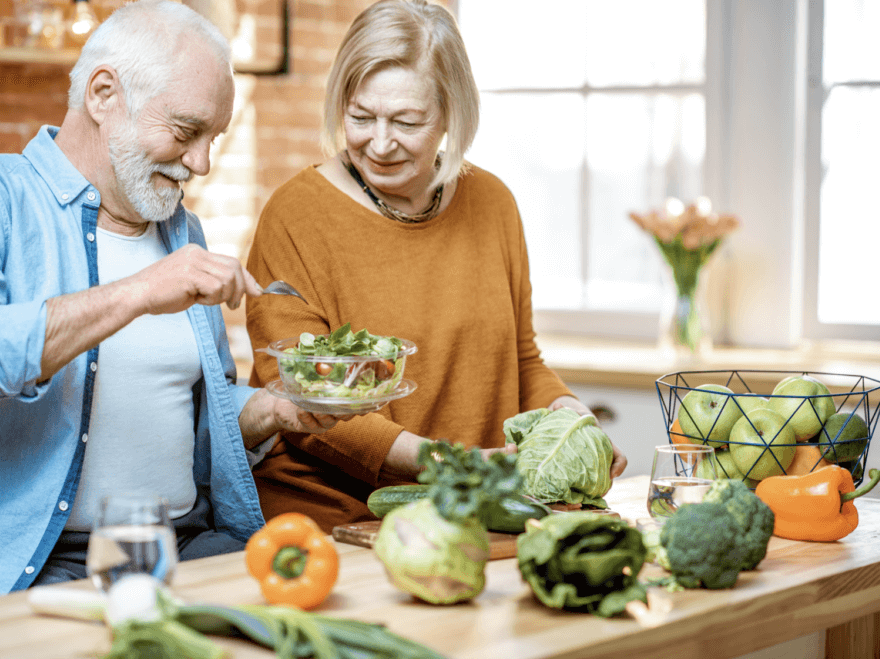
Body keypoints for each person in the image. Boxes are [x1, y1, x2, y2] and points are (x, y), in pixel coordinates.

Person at [0, 0, 345, 613]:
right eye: (186, 132)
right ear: (103, 95)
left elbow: (179, 425)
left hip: (187, 547)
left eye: (213, 140)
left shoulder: (181, 233)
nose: (202, 163)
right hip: (35, 566)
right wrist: (137, 293)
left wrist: (273, 410)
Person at [244, 0, 627, 534]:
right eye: (360, 117)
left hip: (473, 510)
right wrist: (453, 463)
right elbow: (303, 401)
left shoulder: (493, 202)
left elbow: (521, 359)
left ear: (451, 113)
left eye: (406, 121)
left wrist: (572, 423)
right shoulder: (296, 215)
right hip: (339, 520)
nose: (378, 143)